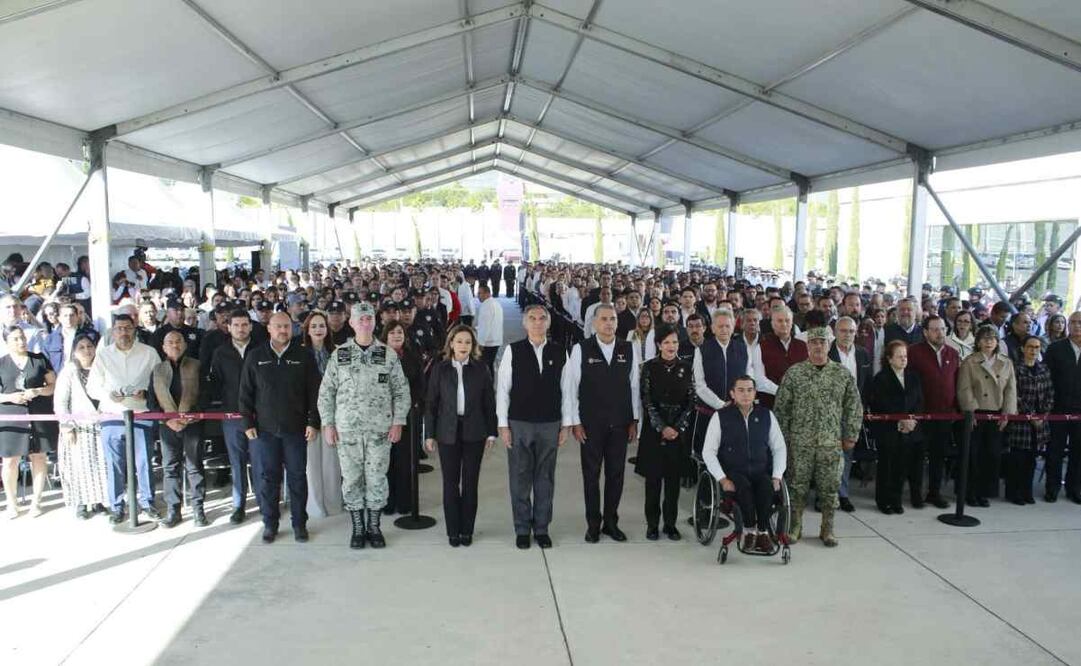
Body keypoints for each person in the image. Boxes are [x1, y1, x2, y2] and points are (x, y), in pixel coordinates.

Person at [320, 302, 409, 549]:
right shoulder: (340, 355)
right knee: (351, 479)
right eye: (360, 319)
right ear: (351, 323)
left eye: (369, 318)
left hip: (380, 431)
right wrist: (328, 423)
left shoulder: (387, 354)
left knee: (377, 478)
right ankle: (358, 528)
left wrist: (398, 421)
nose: (365, 323)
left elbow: (401, 391)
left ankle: (374, 526)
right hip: (347, 431)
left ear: (374, 321)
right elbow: (326, 392)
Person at [773, 327, 863, 546]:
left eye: (822, 342)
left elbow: (854, 406)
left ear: (829, 345)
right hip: (799, 443)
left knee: (830, 488)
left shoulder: (841, 374)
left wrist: (851, 434)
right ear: (807, 345)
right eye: (813, 342)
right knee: (797, 486)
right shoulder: (794, 373)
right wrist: (783, 440)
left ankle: (827, 529)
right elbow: (781, 409)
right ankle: (795, 527)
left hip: (831, 443)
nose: (818, 346)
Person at [239, 312, 322, 544]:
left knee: (297, 478)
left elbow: (314, 393)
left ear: (292, 328)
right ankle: (270, 524)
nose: (283, 330)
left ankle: (299, 524)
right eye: (278, 326)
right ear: (269, 329)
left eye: (286, 326)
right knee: (268, 479)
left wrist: (313, 422)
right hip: (265, 432)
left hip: (296, 430)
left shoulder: (303, 356)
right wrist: (247, 423)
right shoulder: (256, 356)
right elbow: (245, 393)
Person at [562, 304, 640, 543]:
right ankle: (593, 524)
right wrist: (575, 422)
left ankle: (611, 523)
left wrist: (634, 420)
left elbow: (634, 386)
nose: (609, 323)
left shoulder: (629, 348)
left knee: (616, 475)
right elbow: (570, 387)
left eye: (613, 319)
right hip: (591, 425)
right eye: (604, 319)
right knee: (591, 475)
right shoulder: (581, 349)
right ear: (594, 323)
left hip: (619, 424)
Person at [497, 304, 566, 549]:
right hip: (519, 423)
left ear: (548, 323)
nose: (537, 322)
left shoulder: (559, 351)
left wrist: (565, 424)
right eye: (532, 318)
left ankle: (542, 528)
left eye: (542, 318)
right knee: (520, 477)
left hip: (549, 423)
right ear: (525, 323)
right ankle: (522, 528)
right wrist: (503, 425)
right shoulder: (513, 351)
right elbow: (503, 389)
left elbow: (566, 391)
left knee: (545, 478)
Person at [424, 325, 496, 547]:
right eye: (459, 341)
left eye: (468, 342)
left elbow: (488, 403)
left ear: (473, 346)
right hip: (447, 433)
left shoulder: (481, 369)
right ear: (451, 344)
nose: (463, 346)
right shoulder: (440, 369)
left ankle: (467, 530)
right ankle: (453, 531)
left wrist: (491, 432)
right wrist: (430, 433)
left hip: (474, 432)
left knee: (470, 483)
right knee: (450, 484)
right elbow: (431, 404)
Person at [86, 314, 161, 523]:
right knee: (115, 463)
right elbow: (92, 386)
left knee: (144, 461)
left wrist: (146, 392)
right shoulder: (103, 355)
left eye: (127, 328)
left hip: (141, 413)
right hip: (112, 415)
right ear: (113, 331)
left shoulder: (149, 353)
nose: (123, 333)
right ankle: (117, 506)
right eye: (119, 329)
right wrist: (107, 395)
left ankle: (147, 502)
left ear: (134, 329)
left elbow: (161, 380)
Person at [702, 376, 787, 552]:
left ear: (755, 393)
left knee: (766, 487)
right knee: (744, 489)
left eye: (749, 390)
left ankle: (762, 533)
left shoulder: (766, 415)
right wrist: (722, 479)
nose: (746, 394)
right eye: (740, 390)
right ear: (732, 394)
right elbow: (708, 452)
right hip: (734, 472)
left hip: (760, 470)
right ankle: (749, 532)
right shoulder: (721, 417)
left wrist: (777, 475)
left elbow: (779, 448)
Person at [638, 325, 695, 541]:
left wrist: (677, 428)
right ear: (659, 345)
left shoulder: (686, 367)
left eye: (675, 342)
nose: (671, 346)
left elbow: (691, 401)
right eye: (667, 342)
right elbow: (646, 399)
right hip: (654, 432)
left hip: (678, 433)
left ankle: (670, 524)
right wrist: (662, 427)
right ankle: (652, 524)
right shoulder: (649, 367)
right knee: (653, 482)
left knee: (673, 483)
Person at [147, 330, 206, 528]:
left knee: (194, 466)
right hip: (167, 426)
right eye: (170, 342)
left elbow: (206, 395)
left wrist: (190, 417)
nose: (174, 345)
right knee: (170, 468)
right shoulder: (157, 370)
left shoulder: (197, 365)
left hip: (192, 425)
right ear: (163, 347)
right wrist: (167, 421)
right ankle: (174, 511)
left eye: (178, 341)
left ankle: (198, 509)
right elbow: (151, 402)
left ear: (185, 345)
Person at [957, 325, 1017, 506]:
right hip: (976, 414)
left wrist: (1007, 413)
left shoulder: (1006, 363)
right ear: (978, 342)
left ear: (998, 342)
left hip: (997, 414)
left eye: (992, 338)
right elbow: (964, 388)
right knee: (973, 455)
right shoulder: (970, 362)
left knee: (991, 455)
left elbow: (1011, 390)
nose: (989, 342)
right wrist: (970, 411)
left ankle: (985, 492)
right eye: (984, 338)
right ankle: (970, 492)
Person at [0, 325, 56, 518]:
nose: (21, 341)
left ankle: (36, 501)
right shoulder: (1, 363)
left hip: (38, 414)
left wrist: (39, 391)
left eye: (22, 337)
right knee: (10, 461)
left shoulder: (39, 359)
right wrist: (10, 398)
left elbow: (52, 385)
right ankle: (11, 503)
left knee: (39, 457)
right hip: (11, 416)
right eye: (15, 338)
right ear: (7, 342)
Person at [205, 308, 255, 524]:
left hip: (259, 415)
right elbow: (216, 383)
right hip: (232, 417)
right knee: (237, 462)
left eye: (245, 325)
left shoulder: (261, 349)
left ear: (250, 326)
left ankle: (264, 502)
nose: (241, 329)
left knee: (260, 462)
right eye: (236, 325)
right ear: (229, 327)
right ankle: (239, 505)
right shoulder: (220, 352)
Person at [906, 315, 961, 509]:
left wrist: (956, 409)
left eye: (943, 329)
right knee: (918, 456)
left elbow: (956, 383)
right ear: (926, 332)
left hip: (945, 414)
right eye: (936, 329)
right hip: (921, 415)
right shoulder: (913, 352)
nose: (940, 333)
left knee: (939, 455)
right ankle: (915, 494)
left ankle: (934, 493)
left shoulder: (953, 353)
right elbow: (909, 384)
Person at [54, 334, 109, 519]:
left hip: (99, 426)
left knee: (98, 466)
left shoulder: (101, 367)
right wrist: (67, 426)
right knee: (78, 467)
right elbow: (61, 402)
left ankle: (98, 502)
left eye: (89, 346)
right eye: (82, 347)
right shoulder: (69, 371)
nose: (87, 350)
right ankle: (81, 504)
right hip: (77, 429)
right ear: (74, 351)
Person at [867, 341, 924, 514]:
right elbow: (880, 404)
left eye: (905, 356)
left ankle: (896, 500)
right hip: (889, 430)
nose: (903, 359)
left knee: (902, 467)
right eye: (899, 356)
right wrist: (899, 421)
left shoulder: (913, 377)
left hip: (910, 430)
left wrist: (912, 421)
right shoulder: (881, 379)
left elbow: (919, 401)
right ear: (889, 359)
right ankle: (884, 501)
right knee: (887, 467)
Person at [381, 320, 425, 516]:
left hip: (407, 416)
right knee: (385, 461)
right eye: (392, 333)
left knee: (405, 459)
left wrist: (407, 404)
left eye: (400, 332)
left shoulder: (412, 356)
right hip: (382, 417)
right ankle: (388, 501)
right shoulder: (377, 357)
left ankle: (404, 501)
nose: (397, 336)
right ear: (385, 336)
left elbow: (420, 385)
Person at [301, 310, 342, 520]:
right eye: (314, 326)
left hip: (333, 417)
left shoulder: (335, 353)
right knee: (312, 464)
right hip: (309, 419)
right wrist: (310, 420)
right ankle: (315, 506)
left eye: (322, 326)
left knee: (331, 463)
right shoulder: (299, 355)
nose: (318, 329)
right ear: (307, 330)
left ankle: (334, 503)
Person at [829, 316, 872, 513]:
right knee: (826, 455)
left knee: (847, 454)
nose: (847, 335)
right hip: (828, 413)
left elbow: (867, 384)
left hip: (853, 413)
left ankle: (843, 494)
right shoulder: (826, 352)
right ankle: (826, 496)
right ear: (835, 332)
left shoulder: (863, 354)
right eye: (843, 331)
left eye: (851, 331)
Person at [1005, 335, 1053, 505]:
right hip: (1021, 422)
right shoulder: (1016, 369)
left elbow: (1049, 393)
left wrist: (1042, 415)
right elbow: (1014, 394)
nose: (1034, 350)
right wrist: (1030, 414)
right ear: (1023, 349)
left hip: (1039, 424)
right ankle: (1013, 492)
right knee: (1018, 459)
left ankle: (1027, 491)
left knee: (1032, 460)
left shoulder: (1044, 369)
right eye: (1031, 347)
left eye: (1037, 347)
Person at [1042, 311, 1081, 503]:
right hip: (1058, 408)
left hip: (1080, 411)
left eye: (1079, 323)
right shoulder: (1056, 348)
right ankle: (1052, 487)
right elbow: (1046, 378)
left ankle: (1075, 488)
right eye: (1073, 322)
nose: (1076, 326)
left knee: (1078, 451)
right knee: (1054, 451)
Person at [756, 306, 807, 408]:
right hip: (771, 402)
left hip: (799, 403)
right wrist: (782, 392)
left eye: (787, 320)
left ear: (792, 323)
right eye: (779, 321)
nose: (784, 324)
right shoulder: (761, 346)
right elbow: (759, 379)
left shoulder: (803, 346)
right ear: (772, 324)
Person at [475, 283, 503, 375]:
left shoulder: (486, 306)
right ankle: (490, 386)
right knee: (489, 365)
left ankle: (487, 387)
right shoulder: (495, 303)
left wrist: (480, 343)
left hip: (488, 342)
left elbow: (485, 326)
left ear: (487, 294)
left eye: (480, 293)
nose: (478, 295)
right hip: (496, 339)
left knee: (483, 367)